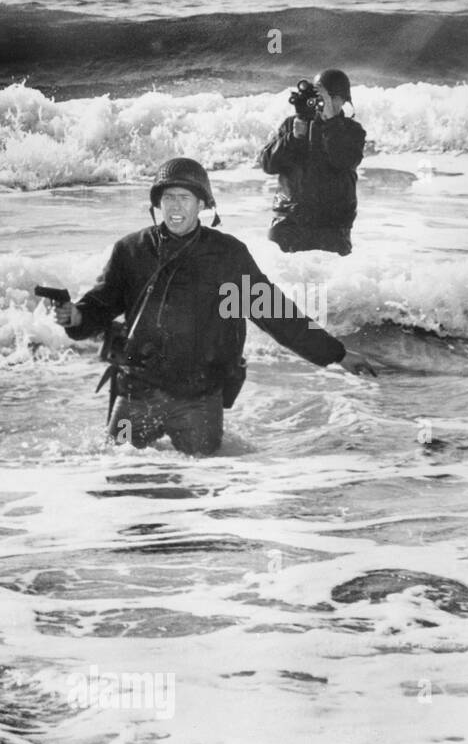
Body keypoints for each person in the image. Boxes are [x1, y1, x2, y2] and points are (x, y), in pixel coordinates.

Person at [51, 157, 375, 456]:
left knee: (206, 487)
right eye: (168, 198)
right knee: (115, 467)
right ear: (157, 203)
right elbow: (100, 305)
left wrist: (337, 354)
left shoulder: (226, 256)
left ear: (203, 203)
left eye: (185, 198)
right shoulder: (132, 251)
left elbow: (274, 314)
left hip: (199, 402)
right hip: (136, 398)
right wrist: (75, 316)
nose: (175, 207)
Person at [258, 68, 365, 256]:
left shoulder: (352, 130)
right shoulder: (292, 125)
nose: (320, 103)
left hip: (331, 227)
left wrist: (331, 123)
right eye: (317, 96)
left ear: (341, 100)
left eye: (328, 97)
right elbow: (268, 164)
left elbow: (344, 160)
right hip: (289, 221)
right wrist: (294, 136)